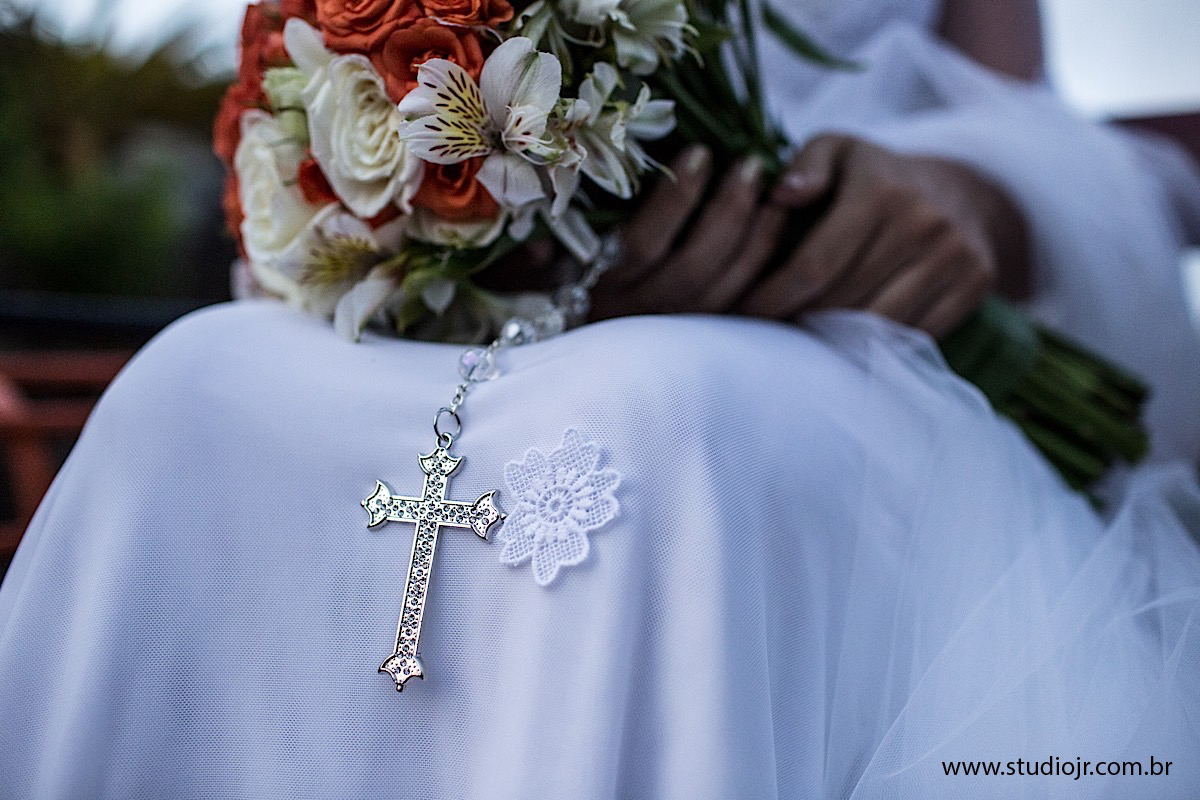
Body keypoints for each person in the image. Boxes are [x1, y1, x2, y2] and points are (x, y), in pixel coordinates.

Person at [1, 1, 1198, 798]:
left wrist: (967, 196)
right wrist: (451, 227)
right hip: (513, 292)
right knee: (193, 384)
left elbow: (1015, 109)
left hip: (836, 283)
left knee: (654, 423)